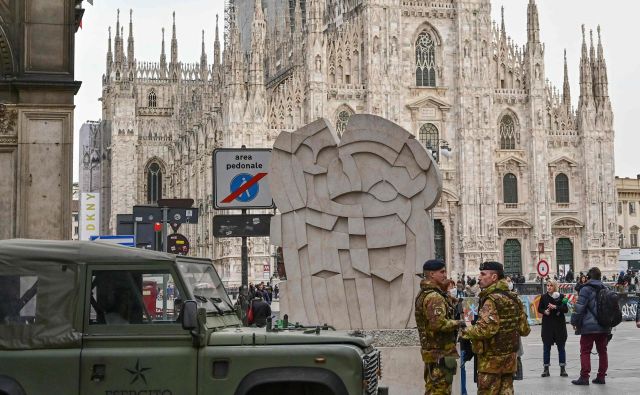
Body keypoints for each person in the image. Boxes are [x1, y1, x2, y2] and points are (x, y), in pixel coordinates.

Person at [460, 261, 530, 395]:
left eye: (483, 274)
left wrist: (464, 332)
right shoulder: (514, 298)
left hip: (490, 364)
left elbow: (485, 330)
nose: (479, 277)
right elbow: (524, 329)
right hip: (509, 363)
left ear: (494, 277)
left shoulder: (491, 300)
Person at [415, 259, 466, 395]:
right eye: (442, 272)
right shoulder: (434, 296)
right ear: (432, 274)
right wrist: (459, 323)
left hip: (435, 353)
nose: (445, 275)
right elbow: (438, 324)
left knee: (434, 389)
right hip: (439, 354)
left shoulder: (426, 293)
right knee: (439, 390)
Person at [570, 267, 611, 385]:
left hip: (588, 327)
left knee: (585, 351)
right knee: (602, 351)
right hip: (603, 326)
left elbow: (579, 309)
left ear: (589, 277)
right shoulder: (606, 289)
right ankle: (601, 376)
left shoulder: (585, 290)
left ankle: (584, 377)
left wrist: (574, 322)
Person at [537, 280, 569, 377]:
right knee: (546, 348)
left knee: (561, 348)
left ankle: (562, 369)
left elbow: (565, 309)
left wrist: (555, 307)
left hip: (559, 326)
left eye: (551, 285)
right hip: (548, 326)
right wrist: (544, 311)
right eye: (548, 285)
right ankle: (546, 369)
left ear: (555, 287)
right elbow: (539, 308)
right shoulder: (543, 297)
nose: (549, 287)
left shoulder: (562, 297)